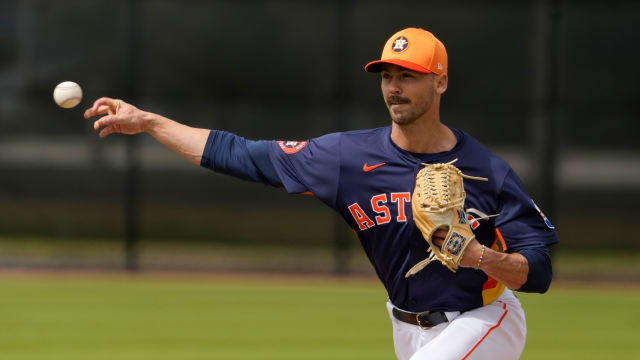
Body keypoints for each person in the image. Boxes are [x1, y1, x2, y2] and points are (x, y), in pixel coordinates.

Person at [84, 27, 559, 360]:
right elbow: (240, 155)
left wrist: (477, 255)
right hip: (405, 327)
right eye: (387, 77)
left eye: (408, 76)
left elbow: (537, 271)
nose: (394, 88)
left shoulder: (486, 172)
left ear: (440, 81)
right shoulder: (346, 159)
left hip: (483, 318)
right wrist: (148, 122)